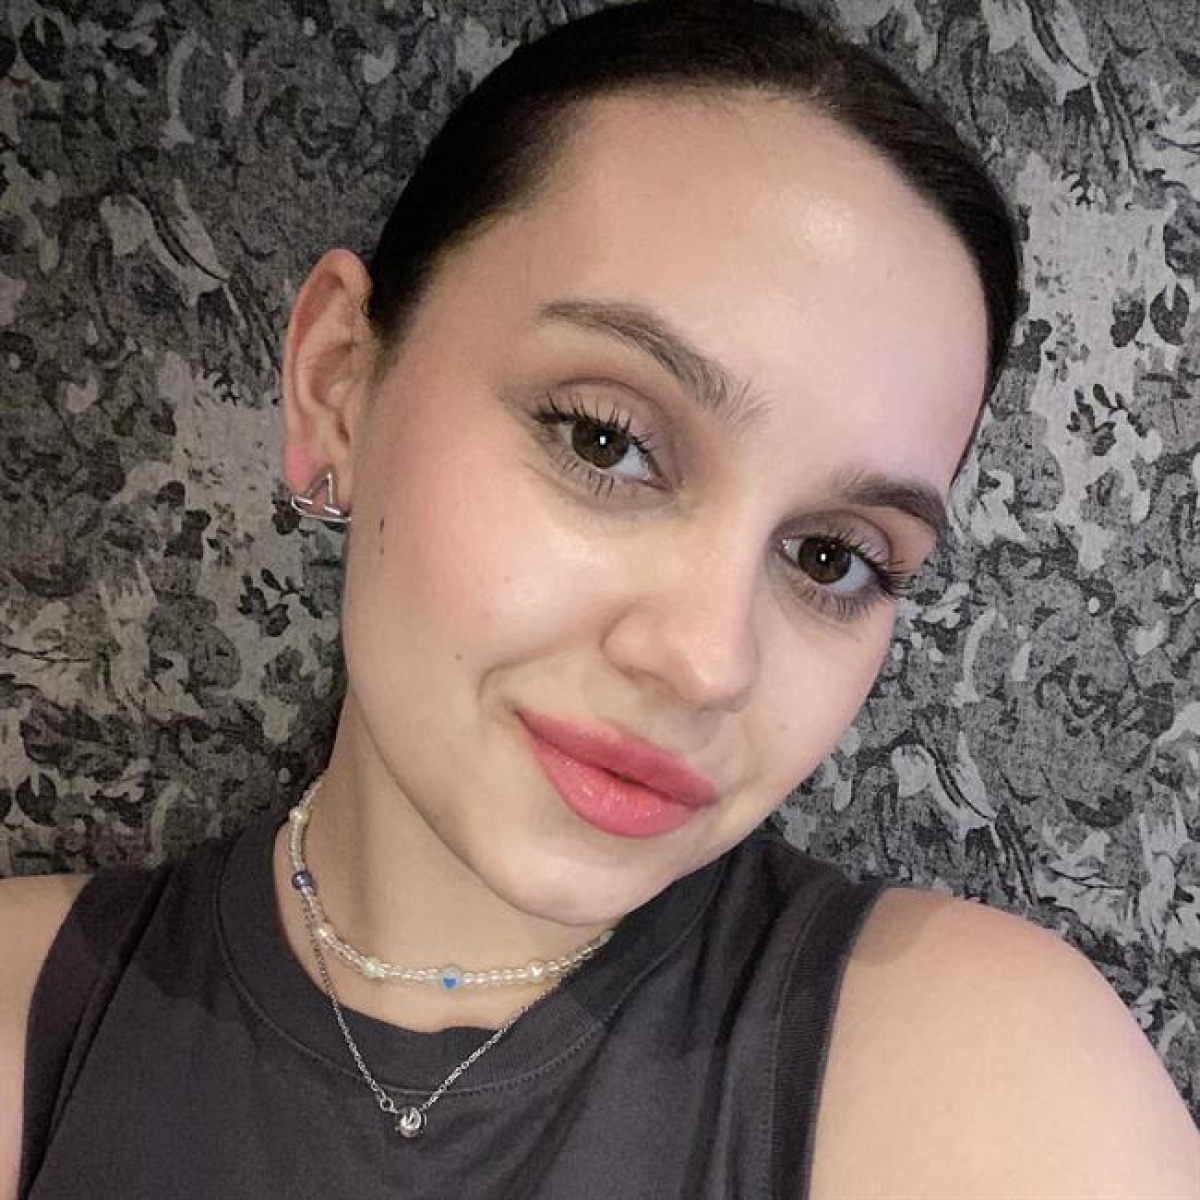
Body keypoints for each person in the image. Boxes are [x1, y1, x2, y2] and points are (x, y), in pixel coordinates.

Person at [2, 1, 1197, 1196]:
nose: (707, 661)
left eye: (833, 557)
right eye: (606, 440)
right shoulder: (31, 1018)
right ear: (338, 387)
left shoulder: (992, 1078)